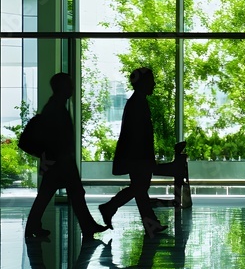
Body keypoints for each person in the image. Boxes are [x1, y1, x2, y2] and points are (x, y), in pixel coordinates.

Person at [98, 67, 186, 237]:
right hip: (138, 157)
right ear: (143, 83)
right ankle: (111, 207)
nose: (154, 84)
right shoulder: (138, 103)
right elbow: (139, 135)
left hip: (135, 156)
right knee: (140, 187)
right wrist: (146, 159)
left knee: (140, 188)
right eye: (151, 81)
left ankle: (147, 223)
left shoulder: (136, 102)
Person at [25, 73, 109, 239]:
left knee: (52, 194)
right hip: (60, 161)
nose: (72, 88)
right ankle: (87, 226)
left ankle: (34, 226)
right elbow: (57, 137)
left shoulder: (54, 106)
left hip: (56, 160)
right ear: (62, 88)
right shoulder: (56, 108)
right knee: (72, 193)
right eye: (69, 85)